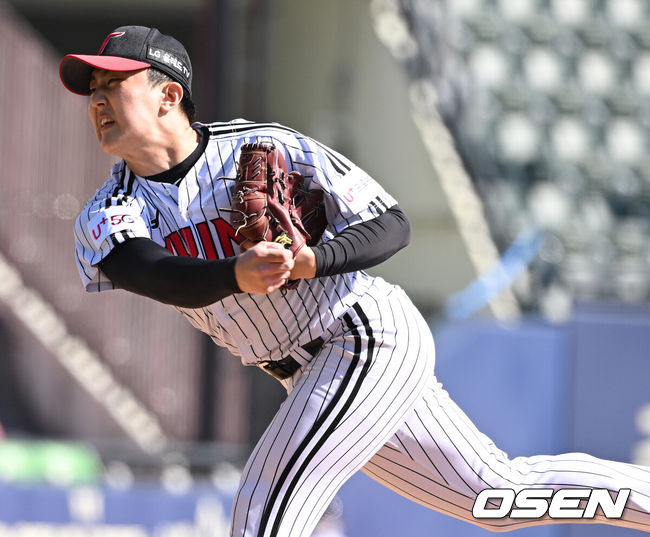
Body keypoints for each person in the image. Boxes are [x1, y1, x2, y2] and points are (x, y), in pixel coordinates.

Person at [60, 26, 650, 537]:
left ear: (168, 94)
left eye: (113, 83)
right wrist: (236, 272)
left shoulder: (261, 145)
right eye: (92, 90)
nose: (98, 100)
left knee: (265, 507)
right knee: (495, 494)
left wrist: (314, 260)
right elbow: (155, 273)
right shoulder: (109, 210)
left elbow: (391, 224)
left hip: (363, 335)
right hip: (304, 373)